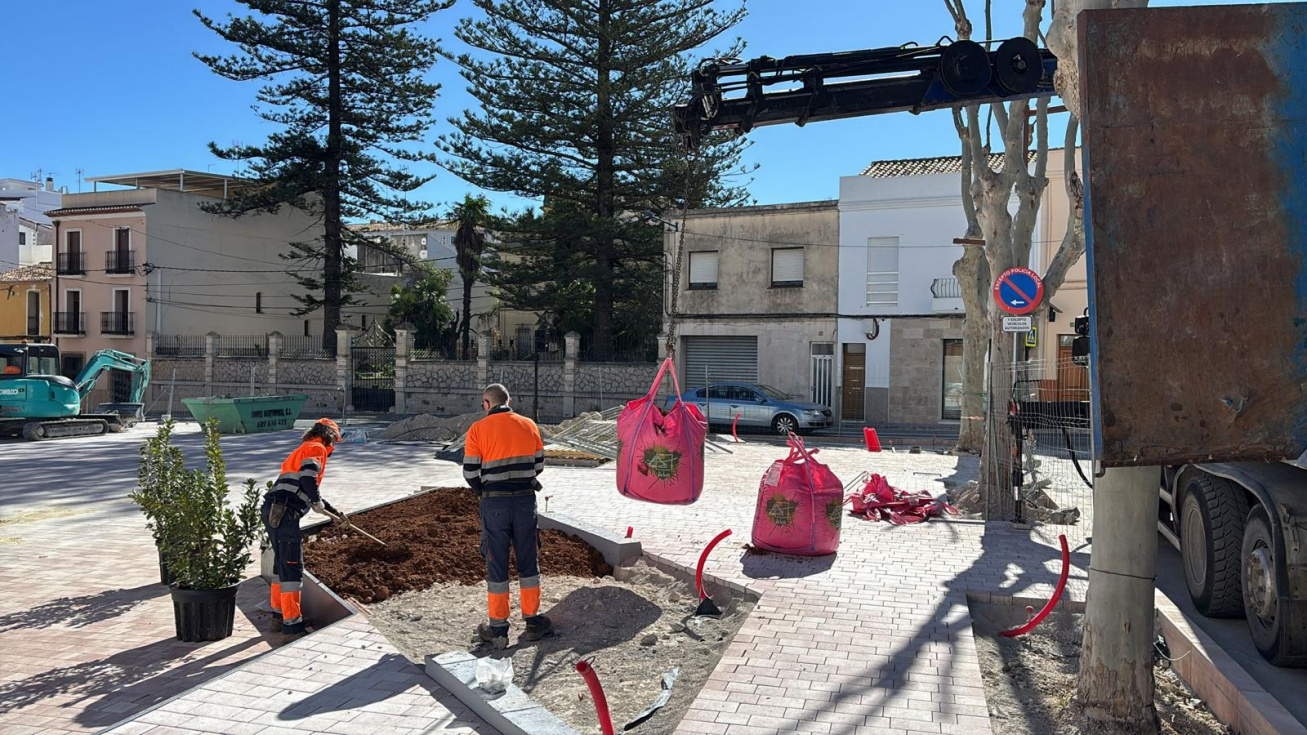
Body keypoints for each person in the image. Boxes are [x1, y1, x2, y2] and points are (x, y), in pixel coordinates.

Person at [463, 383, 551, 649]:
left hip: (495, 504)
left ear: (487, 403)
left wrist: (482, 492)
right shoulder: (529, 425)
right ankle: (533, 621)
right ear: (508, 401)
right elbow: (538, 465)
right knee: (528, 559)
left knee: (497, 562)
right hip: (525, 502)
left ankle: (499, 628)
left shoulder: (478, 429)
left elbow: (469, 472)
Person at [263, 417, 351, 634]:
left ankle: (278, 615)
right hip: (285, 512)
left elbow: (305, 487)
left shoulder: (304, 448)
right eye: (334, 443)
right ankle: (291, 625)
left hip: (274, 509)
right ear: (329, 437)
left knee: (281, 565)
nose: (332, 449)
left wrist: (333, 513)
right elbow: (308, 478)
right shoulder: (316, 447)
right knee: (292, 567)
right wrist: (317, 502)